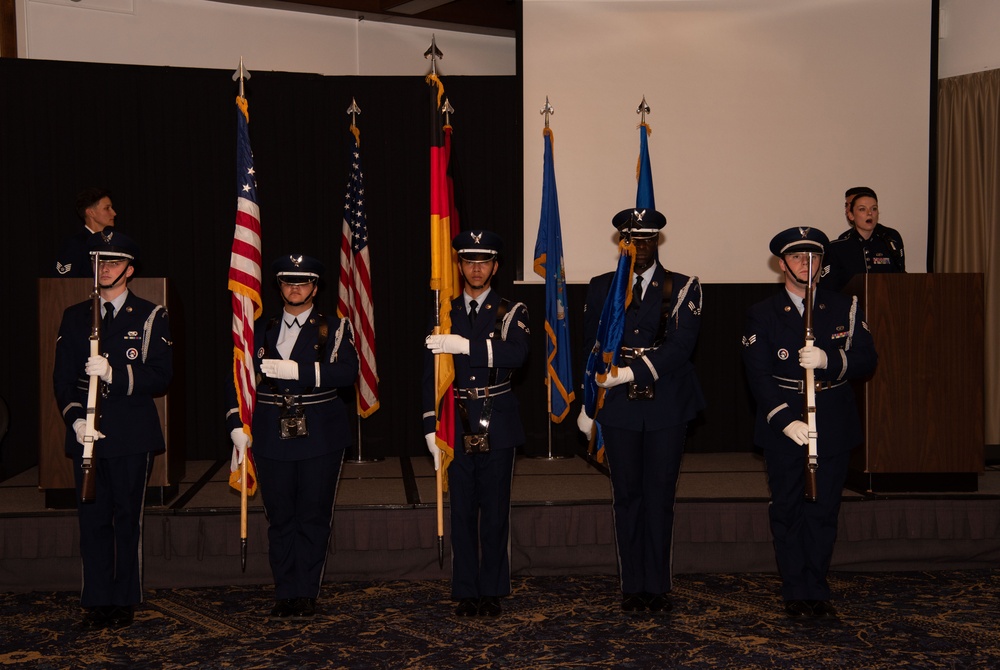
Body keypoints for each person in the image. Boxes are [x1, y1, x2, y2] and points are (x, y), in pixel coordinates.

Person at [741, 226, 877, 618]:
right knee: (787, 508)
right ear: (782, 263)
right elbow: (758, 375)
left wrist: (828, 361)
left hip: (831, 421)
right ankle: (794, 590)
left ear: (822, 264)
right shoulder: (762, 313)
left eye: (813, 257)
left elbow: (867, 359)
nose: (806, 263)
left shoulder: (843, 307)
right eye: (798, 257)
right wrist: (784, 421)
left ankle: (816, 588)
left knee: (824, 509)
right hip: (785, 424)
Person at [577, 208, 705, 615]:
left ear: (658, 242)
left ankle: (658, 584)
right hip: (617, 407)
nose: (641, 247)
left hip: (667, 403)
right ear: (622, 243)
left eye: (649, 240)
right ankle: (633, 583)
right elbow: (593, 347)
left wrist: (630, 371)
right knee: (627, 497)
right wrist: (588, 406)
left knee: (660, 497)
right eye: (634, 240)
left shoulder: (684, 287)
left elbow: (680, 348)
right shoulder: (601, 287)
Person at [52, 229, 173, 630]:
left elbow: (160, 376)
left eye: (114, 262)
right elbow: (62, 380)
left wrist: (115, 374)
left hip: (131, 432)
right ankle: (97, 597)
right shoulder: (74, 316)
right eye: (101, 262)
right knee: (92, 519)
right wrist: (76, 419)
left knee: (126, 519)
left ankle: (124, 598)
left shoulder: (151, 315)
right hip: (87, 435)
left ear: (130, 270)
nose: (105, 269)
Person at [227, 255, 358, 622]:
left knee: (313, 516)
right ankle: (285, 590)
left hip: (320, 434)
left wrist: (300, 371)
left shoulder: (335, 328)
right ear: (279, 287)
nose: (295, 289)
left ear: (315, 288)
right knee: (281, 518)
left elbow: (347, 373)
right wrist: (236, 423)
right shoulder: (258, 329)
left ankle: (307, 591)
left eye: (303, 283)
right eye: (288, 282)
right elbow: (236, 380)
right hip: (270, 432)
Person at [423, 230, 530, 618]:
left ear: (495, 267)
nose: (476, 268)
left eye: (483, 261)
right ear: (460, 266)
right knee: (462, 512)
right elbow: (429, 374)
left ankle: (493, 590)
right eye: (469, 261)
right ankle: (466, 589)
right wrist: (429, 427)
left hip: (496, 419)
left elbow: (517, 354)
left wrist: (468, 346)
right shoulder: (444, 312)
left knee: (495, 511)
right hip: (455, 421)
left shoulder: (510, 311)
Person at [823, 187, 905, 291]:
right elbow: (829, 288)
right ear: (851, 215)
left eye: (874, 209)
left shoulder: (889, 242)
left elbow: (900, 280)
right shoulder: (837, 247)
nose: (869, 213)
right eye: (862, 209)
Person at [54, 187, 117, 277]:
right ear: (91, 213)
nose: (114, 213)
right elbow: (64, 282)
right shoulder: (75, 244)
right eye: (107, 208)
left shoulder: (112, 243)